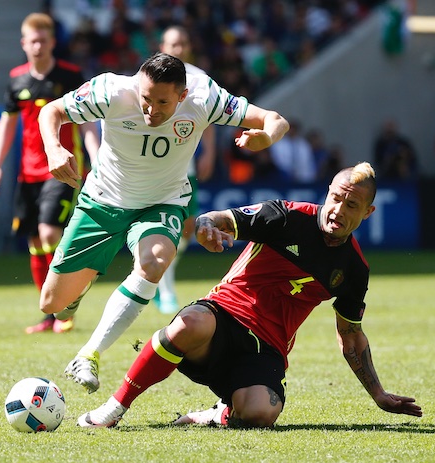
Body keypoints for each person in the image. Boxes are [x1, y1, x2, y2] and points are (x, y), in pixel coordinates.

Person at [77, 162, 423, 428]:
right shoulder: (287, 217)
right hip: (223, 318)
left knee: (261, 413)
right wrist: (208, 228)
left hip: (267, 348)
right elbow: (218, 217)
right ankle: (113, 408)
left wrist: (378, 394)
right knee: (188, 324)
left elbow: (350, 335)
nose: (339, 210)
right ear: (327, 192)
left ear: (368, 212)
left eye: (352, 205)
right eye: (336, 198)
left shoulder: (354, 269)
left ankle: (219, 414)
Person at [38, 51, 289, 394]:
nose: (151, 110)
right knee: (51, 305)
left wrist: (267, 137)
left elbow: (276, 119)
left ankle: (89, 354)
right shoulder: (111, 90)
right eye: (146, 98)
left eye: (162, 102)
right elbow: (51, 111)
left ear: (183, 96)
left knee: (155, 261)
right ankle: (77, 291)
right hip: (103, 201)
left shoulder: (204, 97)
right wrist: (54, 147)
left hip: (163, 202)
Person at [0, 12, 99, 334]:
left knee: (49, 232)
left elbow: (87, 121)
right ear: (24, 43)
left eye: (43, 40)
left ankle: (69, 296)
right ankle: (52, 312)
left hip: (62, 169)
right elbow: (6, 125)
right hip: (27, 174)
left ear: (52, 42)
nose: (38, 46)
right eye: (32, 41)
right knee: (35, 241)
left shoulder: (70, 76)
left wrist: (97, 158)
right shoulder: (17, 79)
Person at [153, 25, 217, 314]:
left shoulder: (199, 78)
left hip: (187, 165)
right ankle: (165, 290)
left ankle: (158, 279)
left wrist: (209, 153)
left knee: (188, 229)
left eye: (182, 44)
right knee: (165, 227)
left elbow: (211, 117)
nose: (178, 49)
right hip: (157, 166)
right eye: (172, 44)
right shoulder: (148, 75)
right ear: (162, 46)